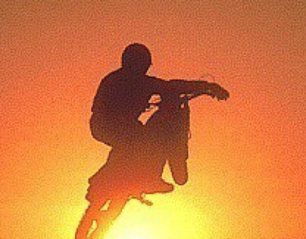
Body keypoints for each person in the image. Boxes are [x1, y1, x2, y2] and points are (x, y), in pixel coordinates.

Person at [87, 43, 229, 201]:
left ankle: (108, 181)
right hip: (112, 125)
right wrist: (207, 87)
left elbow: (169, 86)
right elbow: (171, 86)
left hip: (105, 125)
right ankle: (145, 179)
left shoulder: (116, 78)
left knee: (131, 143)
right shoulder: (137, 81)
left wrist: (205, 87)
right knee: (146, 140)